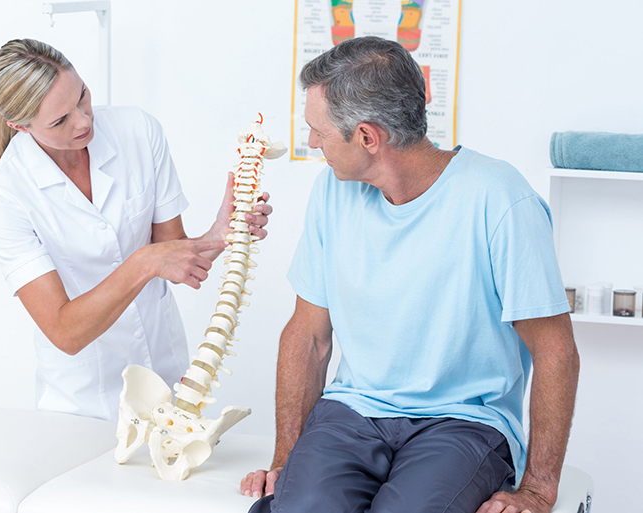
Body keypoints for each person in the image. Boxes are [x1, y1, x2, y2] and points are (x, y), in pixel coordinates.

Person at [241, 36, 579, 513]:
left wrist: (539, 490)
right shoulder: (333, 195)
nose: (313, 141)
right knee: (301, 506)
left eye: (319, 130)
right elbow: (308, 336)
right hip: (353, 410)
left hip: (462, 421)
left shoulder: (499, 199)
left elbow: (555, 348)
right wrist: (285, 460)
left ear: (367, 137)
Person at [0, 39, 272, 422]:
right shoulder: (5, 195)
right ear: (20, 125)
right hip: (83, 401)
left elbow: (171, 251)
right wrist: (144, 262)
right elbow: (64, 331)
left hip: (165, 376)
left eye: (82, 95)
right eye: (59, 120)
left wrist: (219, 234)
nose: (84, 120)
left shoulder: (136, 130)